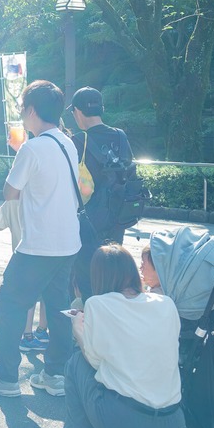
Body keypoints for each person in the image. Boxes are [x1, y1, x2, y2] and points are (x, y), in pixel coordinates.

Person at [0, 80, 79, 397]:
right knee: (59, 307)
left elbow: (9, 191)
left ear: (31, 110)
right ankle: (56, 375)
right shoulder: (67, 143)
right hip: (68, 242)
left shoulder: (32, 148)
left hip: (38, 244)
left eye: (22, 111)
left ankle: (5, 378)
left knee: (9, 303)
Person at [61, 244, 184, 428]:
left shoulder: (98, 304)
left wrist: (79, 330)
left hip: (123, 422)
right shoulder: (166, 304)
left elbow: (95, 362)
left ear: (98, 275)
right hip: (171, 425)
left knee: (76, 362)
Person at [70, 86, 136, 297]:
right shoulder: (120, 136)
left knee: (87, 278)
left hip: (88, 221)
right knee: (113, 275)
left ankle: (90, 323)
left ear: (78, 112)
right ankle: (112, 319)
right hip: (118, 217)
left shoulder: (78, 141)